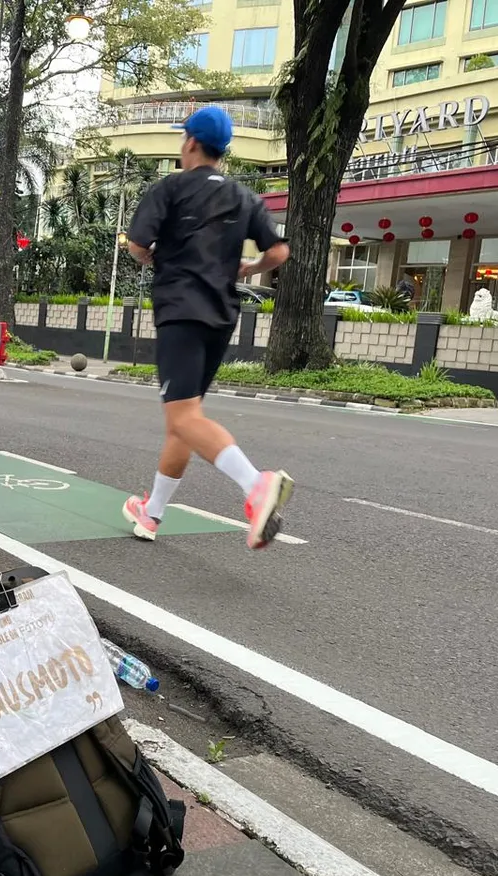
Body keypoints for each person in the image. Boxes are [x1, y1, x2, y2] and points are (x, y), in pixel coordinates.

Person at [121, 107, 294, 548]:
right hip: (220, 316)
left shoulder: (170, 188)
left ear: (191, 143)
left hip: (180, 310)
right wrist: (247, 267)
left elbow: (138, 244)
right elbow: (278, 253)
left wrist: (151, 257)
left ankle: (257, 484)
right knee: (183, 419)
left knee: (183, 415)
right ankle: (152, 513)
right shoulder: (243, 196)